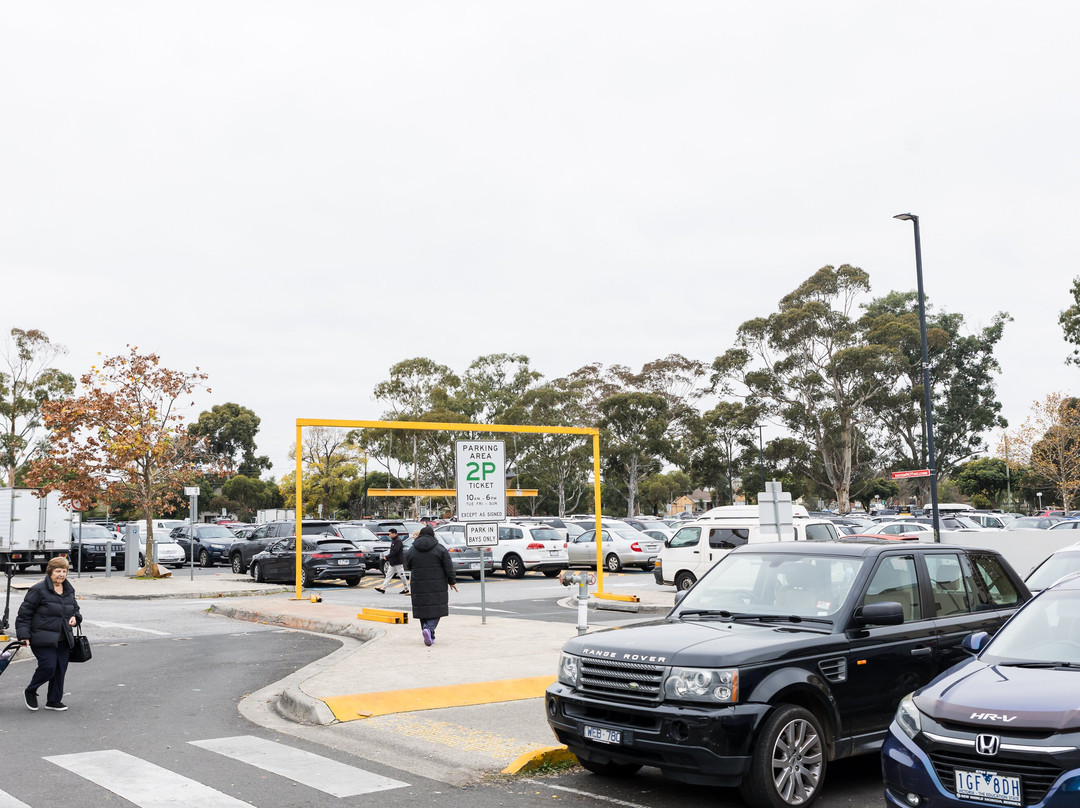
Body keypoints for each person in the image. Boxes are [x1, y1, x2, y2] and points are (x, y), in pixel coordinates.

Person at [16, 556, 82, 712]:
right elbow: (24, 615)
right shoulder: (38, 590)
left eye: (64, 571)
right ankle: (31, 690)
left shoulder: (68, 590)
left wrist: (75, 618)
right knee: (48, 667)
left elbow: (75, 610)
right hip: (41, 637)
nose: (61, 574)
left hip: (64, 638)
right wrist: (23, 636)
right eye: (58, 571)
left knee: (60, 670)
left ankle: (53, 701)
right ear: (50, 571)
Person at [403, 525, 457, 646]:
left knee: (422, 609)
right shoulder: (440, 548)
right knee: (437, 608)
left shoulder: (412, 549)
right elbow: (448, 567)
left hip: (418, 584)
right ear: (433, 535)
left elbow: (408, 565)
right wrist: (452, 581)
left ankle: (427, 633)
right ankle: (429, 629)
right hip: (437, 584)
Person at [374, 528, 410, 595]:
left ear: (394, 534)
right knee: (388, 575)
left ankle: (406, 589)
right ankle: (383, 588)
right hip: (393, 562)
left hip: (398, 562)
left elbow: (395, 551)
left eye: (390, 534)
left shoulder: (398, 541)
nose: (389, 535)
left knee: (402, 576)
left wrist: (387, 557)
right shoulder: (394, 540)